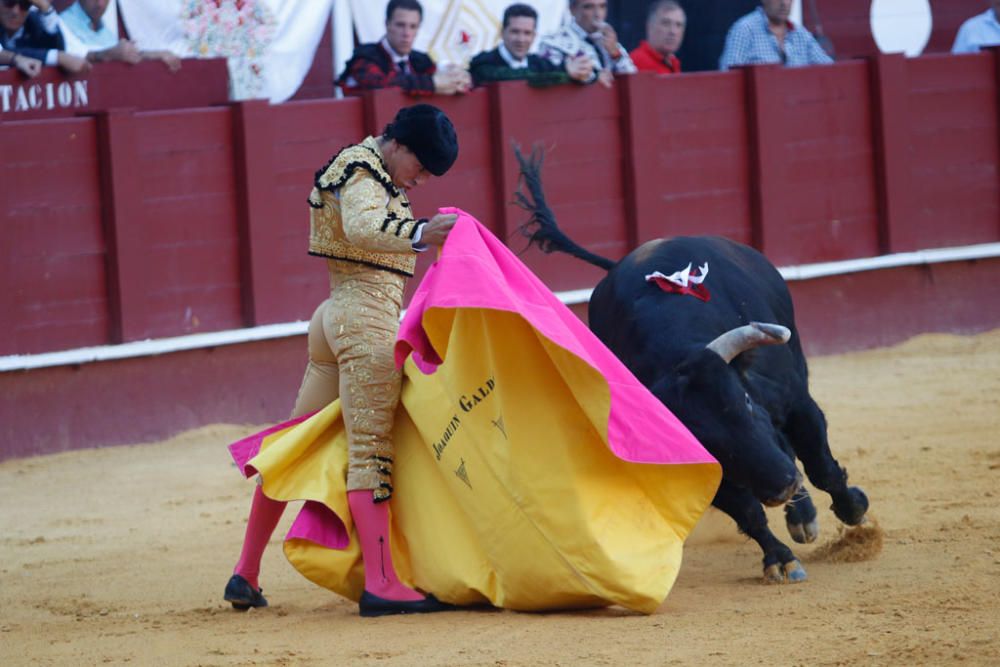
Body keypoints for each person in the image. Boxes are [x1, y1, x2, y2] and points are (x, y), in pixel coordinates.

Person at [224, 104, 460, 618]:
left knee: (293, 443)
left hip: (335, 316)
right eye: (420, 168)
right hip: (365, 318)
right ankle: (382, 583)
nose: (420, 180)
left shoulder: (364, 167)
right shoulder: (363, 170)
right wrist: (421, 233)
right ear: (400, 145)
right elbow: (361, 227)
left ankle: (245, 572)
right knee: (371, 448)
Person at [337, 0, 470, 97]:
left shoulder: (419, 59)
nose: (407, 33)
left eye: (413, 27)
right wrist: (433, 83)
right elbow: (380, 84)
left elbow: (443, 75)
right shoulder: (365, 58)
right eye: (400, 25)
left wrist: (458, 77)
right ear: (387, 24)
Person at [469, 3, 592, 87]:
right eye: (515, 32)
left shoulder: (539, 63)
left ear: (534, 36)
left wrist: (588, 71)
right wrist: (564, 71)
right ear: (502, 33)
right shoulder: (483, 62)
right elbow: (512, 76)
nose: (521, 39)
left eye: (527, 33)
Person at [59, 0, 181, 71]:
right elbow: (75, 54)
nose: (100, 4)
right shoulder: (61, 23)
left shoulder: (105, 32)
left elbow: (116, 54)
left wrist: (153, 55)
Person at [538, 0, 636, 88]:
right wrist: (594, 77)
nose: (598, 14)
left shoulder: (610, 42)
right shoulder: (553, 42)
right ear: (572, 10)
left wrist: (616, 55)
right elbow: (546, 79)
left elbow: (633, 81)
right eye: (589, 7)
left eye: (602, 6)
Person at [719, 0, 833, 71]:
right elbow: (728, 78)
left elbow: (830, 70)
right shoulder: (744, 29)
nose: (784, 3)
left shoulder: (800, 34)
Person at [0, 0, 89, 73]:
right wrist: (55, 57)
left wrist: (45, 8)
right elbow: (2, 52)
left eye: (24, 5)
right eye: (9, 3)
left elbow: (60, 50)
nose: (15, 11)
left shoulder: (32, 22)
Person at [630, 0, 685, 75]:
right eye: (666, 23)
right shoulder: (635, 62)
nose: (673, 31)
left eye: (678, 25)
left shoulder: (674, 62)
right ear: (649, 26)